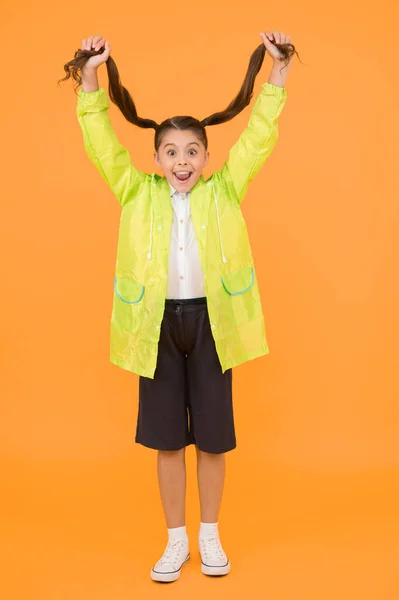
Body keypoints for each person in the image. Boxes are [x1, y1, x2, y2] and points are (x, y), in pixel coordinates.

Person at [61, 30, 296, 582]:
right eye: (172, 151)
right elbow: (101, 142)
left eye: (193, 151)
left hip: (215, 324)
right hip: (155, 325)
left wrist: (277, 75)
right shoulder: (135, 191)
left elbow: (259, 138)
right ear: (157, 157)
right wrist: (90, 77)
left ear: (208, 157)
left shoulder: (226, 190)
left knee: (213, 439)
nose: (183, 160)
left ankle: (210, 537)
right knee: (167, 439)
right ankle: (175, 542)